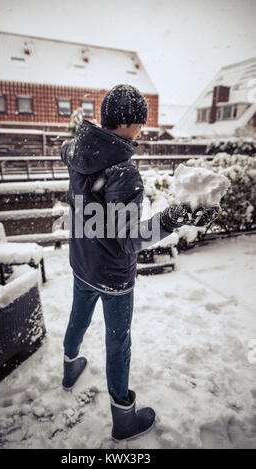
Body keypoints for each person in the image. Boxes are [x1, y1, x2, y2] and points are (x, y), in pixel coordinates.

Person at [60, 84, 220, 441]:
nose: (142, 131)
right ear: (129, 123)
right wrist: (173, 217)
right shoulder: (123, 173)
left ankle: (70, 368)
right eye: (140, 124)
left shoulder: (76, 149)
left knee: (78, 318)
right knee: (118, 344)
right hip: (113, 276)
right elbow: (130, 238)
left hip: (82, 262)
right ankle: (123, 419)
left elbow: (64, 150)